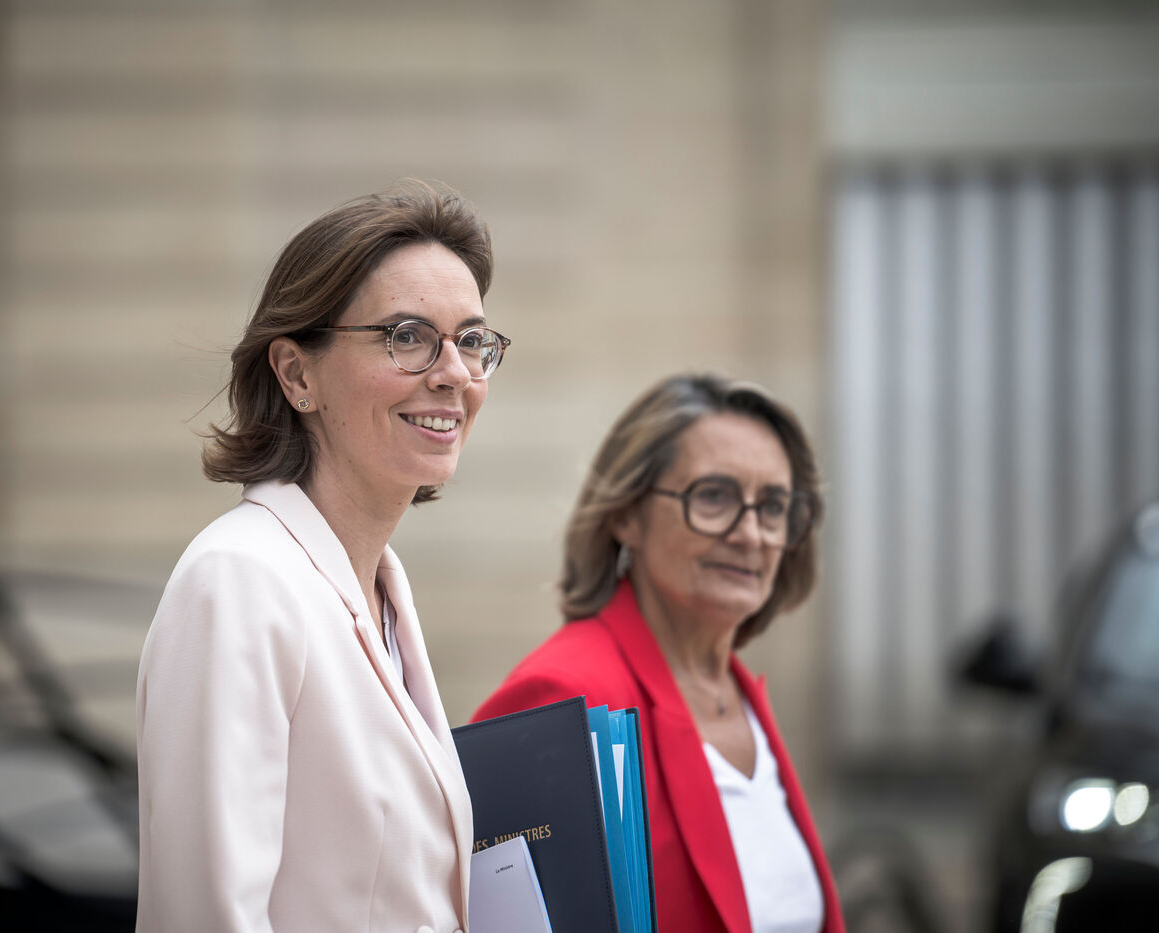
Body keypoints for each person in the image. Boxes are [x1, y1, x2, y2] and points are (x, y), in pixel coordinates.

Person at [136, 180, 511, 933]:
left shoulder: (379, 587)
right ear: (297, 374)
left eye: (471, 341)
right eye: (408, 336)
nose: (453, 373)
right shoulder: (238, 582)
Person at [473, 373, 845, 933]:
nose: (751, 534)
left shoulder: (739, 691)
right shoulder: (564, 697)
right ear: (627, 514)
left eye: (773, 506)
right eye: (714, 496)